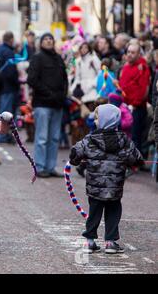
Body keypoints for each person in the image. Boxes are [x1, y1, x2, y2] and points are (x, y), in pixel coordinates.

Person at [69, 104, 143, 254]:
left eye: (96, 118)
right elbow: (136, 158)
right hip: (115, 187)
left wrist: (77, 160)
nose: (95, 120)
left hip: (95, 187)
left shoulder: (90, 139)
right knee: (113, 212)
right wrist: (134, 163)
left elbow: (74, 154)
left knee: (94, 212)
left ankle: (90, 241)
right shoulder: (124, 140)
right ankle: (110, 241)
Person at [27, 33, 68, 178]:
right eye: (46, 39)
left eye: (51, 38)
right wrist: (48, 93)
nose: (49, 41)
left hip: (57, 104)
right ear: (41, 42)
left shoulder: (58, 59)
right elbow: (31, 79)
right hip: (43, 103)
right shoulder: (37, 58)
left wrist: (63, 95)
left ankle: (51, 166)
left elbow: (64, 79)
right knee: (42, 137)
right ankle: (40, 166)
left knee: (54, 137)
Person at [119, 43, 151, 159]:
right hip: (126, 106)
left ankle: (136, 162)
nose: (130, 55)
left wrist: (134, 103)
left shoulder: (142, 67)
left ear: (138, 54)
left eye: (133, 52)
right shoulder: (126, 67)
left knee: (136, 136)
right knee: (127, 135)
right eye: (128, 52)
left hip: (136, 107)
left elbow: (143, 90)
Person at [0, 31, 19, 144]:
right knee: (6, 113)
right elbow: (11, 72)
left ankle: (1, 135)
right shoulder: (9, 52)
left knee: (1, 111)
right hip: (8, 86)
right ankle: (2, 136)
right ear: (11, 39)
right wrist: (17, 82)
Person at [72, 42, 101, 110]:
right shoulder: (77, 61)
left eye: (85, 47)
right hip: (82, 90)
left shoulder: (93, 59)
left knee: (93, 109)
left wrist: (93, 83)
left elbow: (99, 72)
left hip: (93, 89)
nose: (83, 49)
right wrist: (72, 88)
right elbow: (77, 77)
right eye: (82, 47)